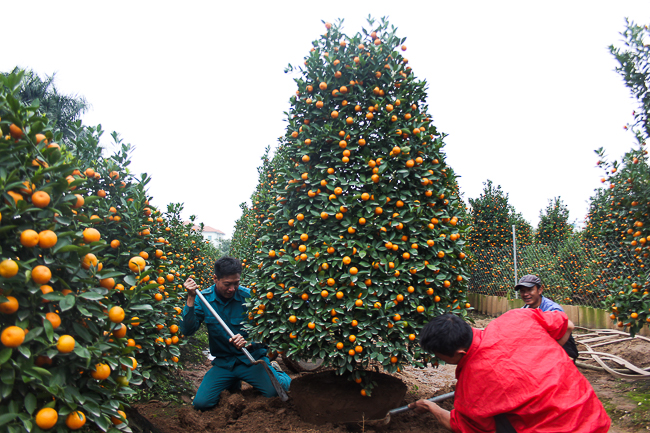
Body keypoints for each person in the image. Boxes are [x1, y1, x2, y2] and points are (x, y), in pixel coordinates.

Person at [409, 311, 610, 432]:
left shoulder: (473, 382)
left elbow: (463, 426)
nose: (439, 359)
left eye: (439, 355)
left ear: (459, 352)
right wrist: (547, 354)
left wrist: (430, 407)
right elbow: (568, 325)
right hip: (592, 415)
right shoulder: (516, 317)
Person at [180, 256, 291, 411]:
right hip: (224, 363)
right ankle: (232, 383)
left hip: (250, 359)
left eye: (236, 283)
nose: (232, 288)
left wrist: (250, 341)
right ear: (215, 279)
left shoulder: (249, 298)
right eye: (227, 284)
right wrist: (191, 297)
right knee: (201, 404)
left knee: (276, 392)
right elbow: (187, 330)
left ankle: (277, 372)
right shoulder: (203, 299)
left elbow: (268, 331)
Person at [516, 274, 579, 360]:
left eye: (530, 290)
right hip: (541, 348)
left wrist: (543, 356)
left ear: (540, 290)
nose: (526, 294)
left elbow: (569, 327)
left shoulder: (553, 310)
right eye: (522, 291)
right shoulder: (524, 310)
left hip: (562, 351)